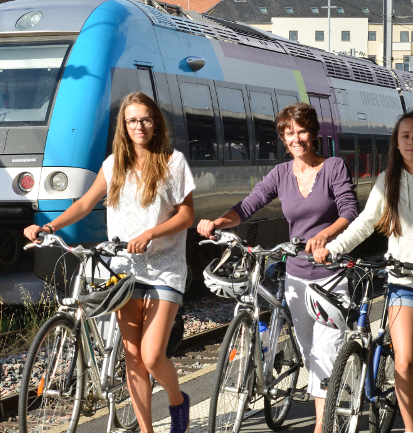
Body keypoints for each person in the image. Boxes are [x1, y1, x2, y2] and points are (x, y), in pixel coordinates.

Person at [24, 92, 195, 433]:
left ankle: (177, 400)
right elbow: (85, 203)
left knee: (151, 356)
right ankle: (147, 430)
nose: (139, 126)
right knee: (132, 359)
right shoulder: (113, 163)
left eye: (145, 119)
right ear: (124, 125)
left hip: (164, 267)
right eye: (132, 120)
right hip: (123, 269)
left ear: (156, 122)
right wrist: (49, 226)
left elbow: (187, 215)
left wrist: (152, 233)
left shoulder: (174, 162)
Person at [196, 102, 358, 433]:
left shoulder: (334, 167)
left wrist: (324, 236)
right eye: (289, 133)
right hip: (297, 276)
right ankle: (325, 414)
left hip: (331, 277)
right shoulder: (280, 174)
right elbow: (247, 206)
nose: (296, 138)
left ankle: (321, 426)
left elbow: (349, 211)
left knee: (326, 356)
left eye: (301, 131)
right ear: (283, 138)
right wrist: (218, 222)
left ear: (313, 134)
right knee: (311, 354)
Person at [314, 110, 413, 433]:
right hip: (401, 282)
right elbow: (364, 223)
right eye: (405, 137)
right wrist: (333, 248)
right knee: (403, 362)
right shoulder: (388, 181)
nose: (411, 142)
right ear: (396, 144)